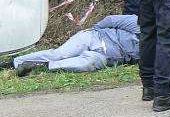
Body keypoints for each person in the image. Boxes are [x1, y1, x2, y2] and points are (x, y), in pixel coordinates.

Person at [8, 15, 139, 75]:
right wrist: (94, 31)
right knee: (59, 54)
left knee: (87, 64)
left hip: (104, 57)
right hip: (94, 37)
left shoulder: (156, 48)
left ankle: (40, 67)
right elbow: (110, 20)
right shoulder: (138, 22)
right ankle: (12, 62)